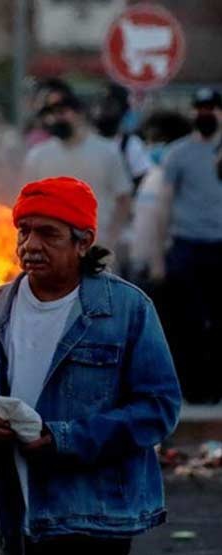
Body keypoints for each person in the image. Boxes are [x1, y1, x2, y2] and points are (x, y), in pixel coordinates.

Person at [0, 176, 181, 555]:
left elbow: (158, 408)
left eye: (48, 233)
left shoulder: (126, 310)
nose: (30, 245)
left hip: (93, 522)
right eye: (24, 231)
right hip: (16, 523)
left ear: (83, 242)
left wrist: (64, 438)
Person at [151, 88, 222, 404]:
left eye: (212, 108)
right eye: (201, 107)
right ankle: (192, 390)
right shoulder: (178, 154)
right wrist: (157, 255)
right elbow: (164, 204)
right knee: (188, 324)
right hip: (187, 246)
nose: (206, 113)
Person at [21, 88, 133, 255]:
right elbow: (26, 202)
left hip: (97, 247)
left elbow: (123, 199)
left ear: (79, 114)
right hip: (50, 251)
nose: (56, 118)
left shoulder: (107, 152)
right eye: (52, 114)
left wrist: (111, 239)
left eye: (62, 112)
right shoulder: (38, 156)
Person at [127, 111, 192, 289]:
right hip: (141, 263)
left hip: (168, 265)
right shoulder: (151, 175)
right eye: (147, 141)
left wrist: (158, 261)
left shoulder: (183, 178)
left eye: (156, 140)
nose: (149, 146)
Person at [91, 83, 152, 193]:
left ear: (123, 110)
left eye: (109, 106)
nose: (102, 111)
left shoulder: (131, 145)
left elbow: (141, 180)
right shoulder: (83, 142)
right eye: (100, 105)